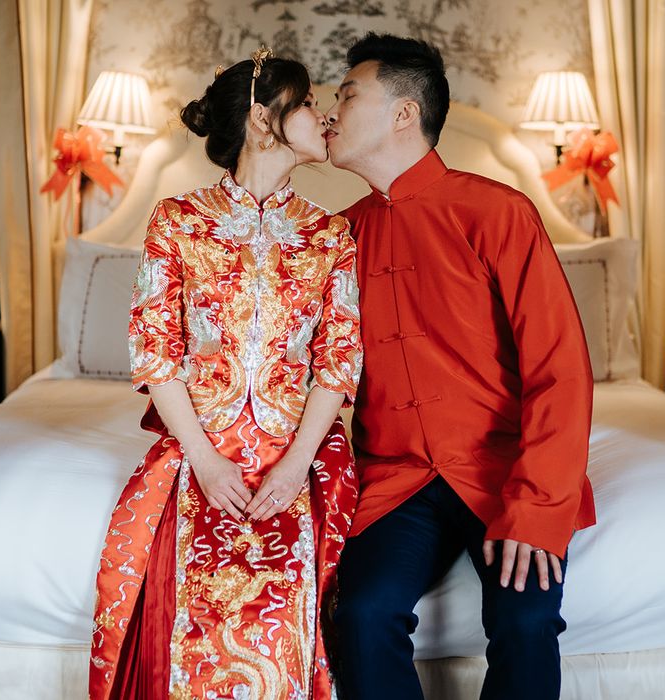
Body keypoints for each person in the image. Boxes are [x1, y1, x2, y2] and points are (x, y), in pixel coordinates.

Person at [324, 33, 596, 700]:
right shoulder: (336, 236)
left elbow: (560, 367)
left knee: (526, 618)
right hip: (396, 479)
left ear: (403, 113)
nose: (330, 113)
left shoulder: (497, 212)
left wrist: (536, 508)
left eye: (347, 94)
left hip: (501, 471)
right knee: (359, 614)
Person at [88, 47, 363, 700]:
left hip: (299, 457)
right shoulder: (178, 223)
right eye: (310, 104)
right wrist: (207, 462)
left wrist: (297, 464)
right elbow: (157, 357)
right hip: (200, 452)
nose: (325, 116)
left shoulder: (330, 236)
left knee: (288, 607)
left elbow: (338, 362)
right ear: (265, 120)